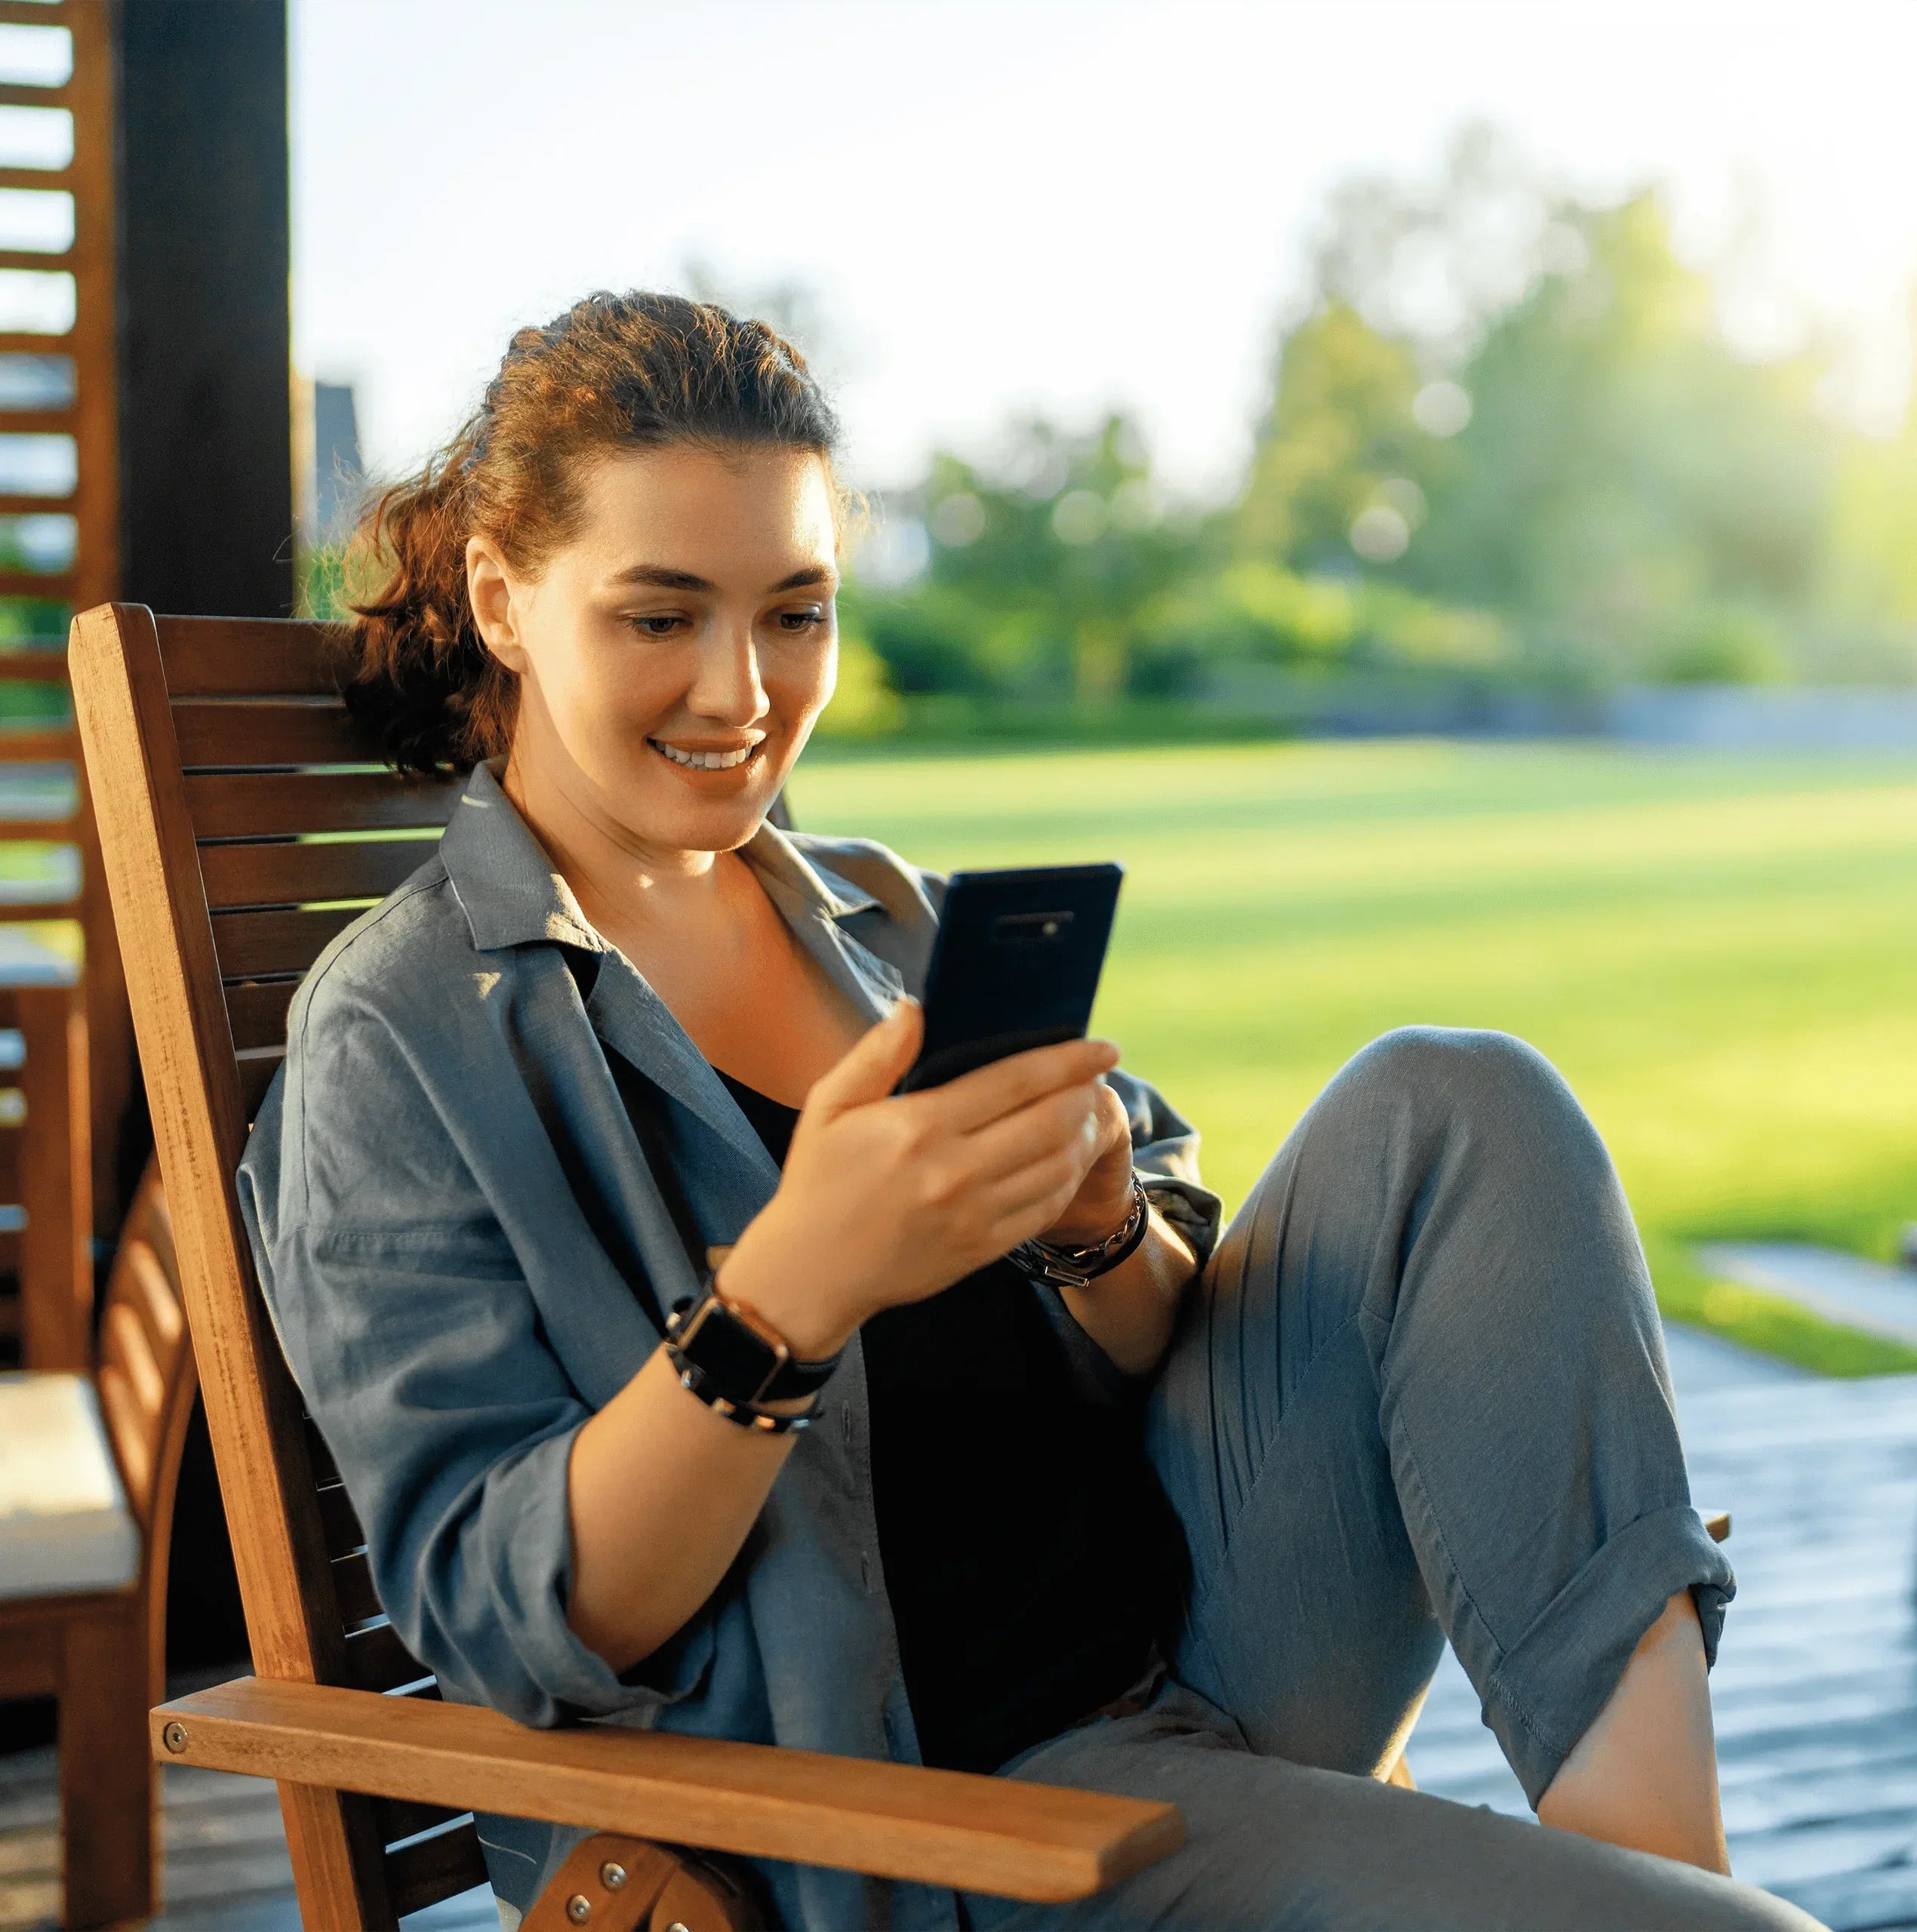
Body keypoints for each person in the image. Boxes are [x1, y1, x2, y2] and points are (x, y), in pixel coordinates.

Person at [241, 292, 1821, 1932]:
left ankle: (1653, 1865)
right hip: (948, 1812)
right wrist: (793, 1291)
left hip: (1202, 1644)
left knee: (1462, 1096)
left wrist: (1099, 1230)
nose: (742, 691)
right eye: (661, 618)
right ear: (504, 597)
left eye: (796, 612)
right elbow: (518, 1616)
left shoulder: (888, 921)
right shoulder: (402, 1035)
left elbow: (1169, 1329)